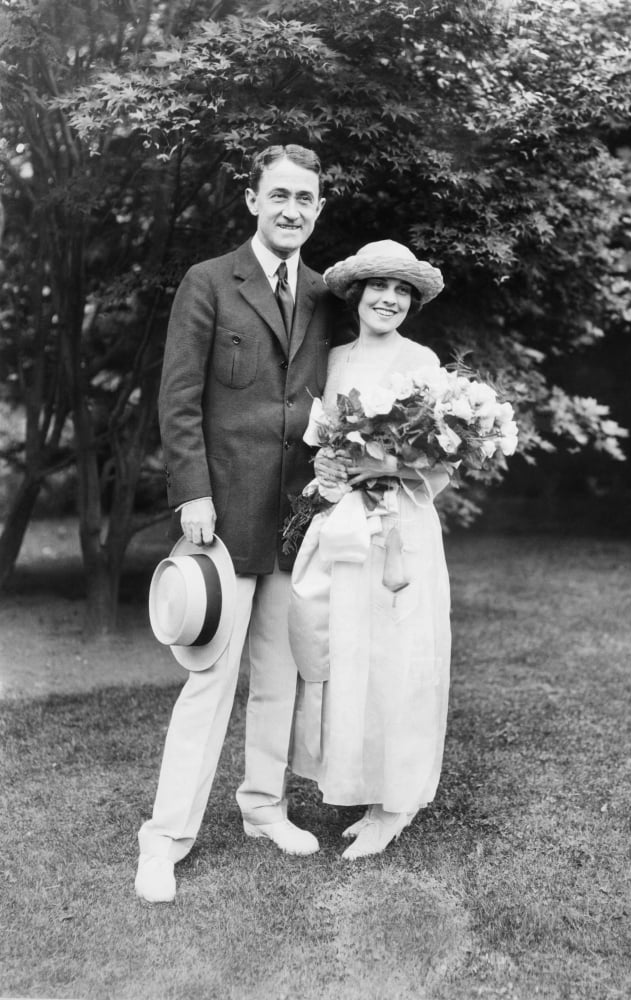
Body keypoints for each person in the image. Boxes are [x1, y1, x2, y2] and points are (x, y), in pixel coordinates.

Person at [135, 144, 343, 903]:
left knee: (278, 680)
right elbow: (178, 399)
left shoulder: (326, 293)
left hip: (296, 519)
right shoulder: (209, 281)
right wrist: (190, 492)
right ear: (253, 200)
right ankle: (163, 842)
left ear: (319, 211)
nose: (292, 209)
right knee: (208, 682)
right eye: (279, 195)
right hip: (219, 520)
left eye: (306, 200)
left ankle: (263, 808)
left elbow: (333, 400)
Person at [287, 240, 452, 860]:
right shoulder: (331, 363)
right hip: (347, 525)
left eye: (402, 290)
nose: (390, 299)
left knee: (402, 654)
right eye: (379, 287)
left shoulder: (424, 362)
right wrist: (332, 473)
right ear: (357, 294)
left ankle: (396, 802)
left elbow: (439, 461)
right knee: (350, 650)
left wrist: (383, 466)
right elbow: (322, 447)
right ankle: (361, 783)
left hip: (401, 526)